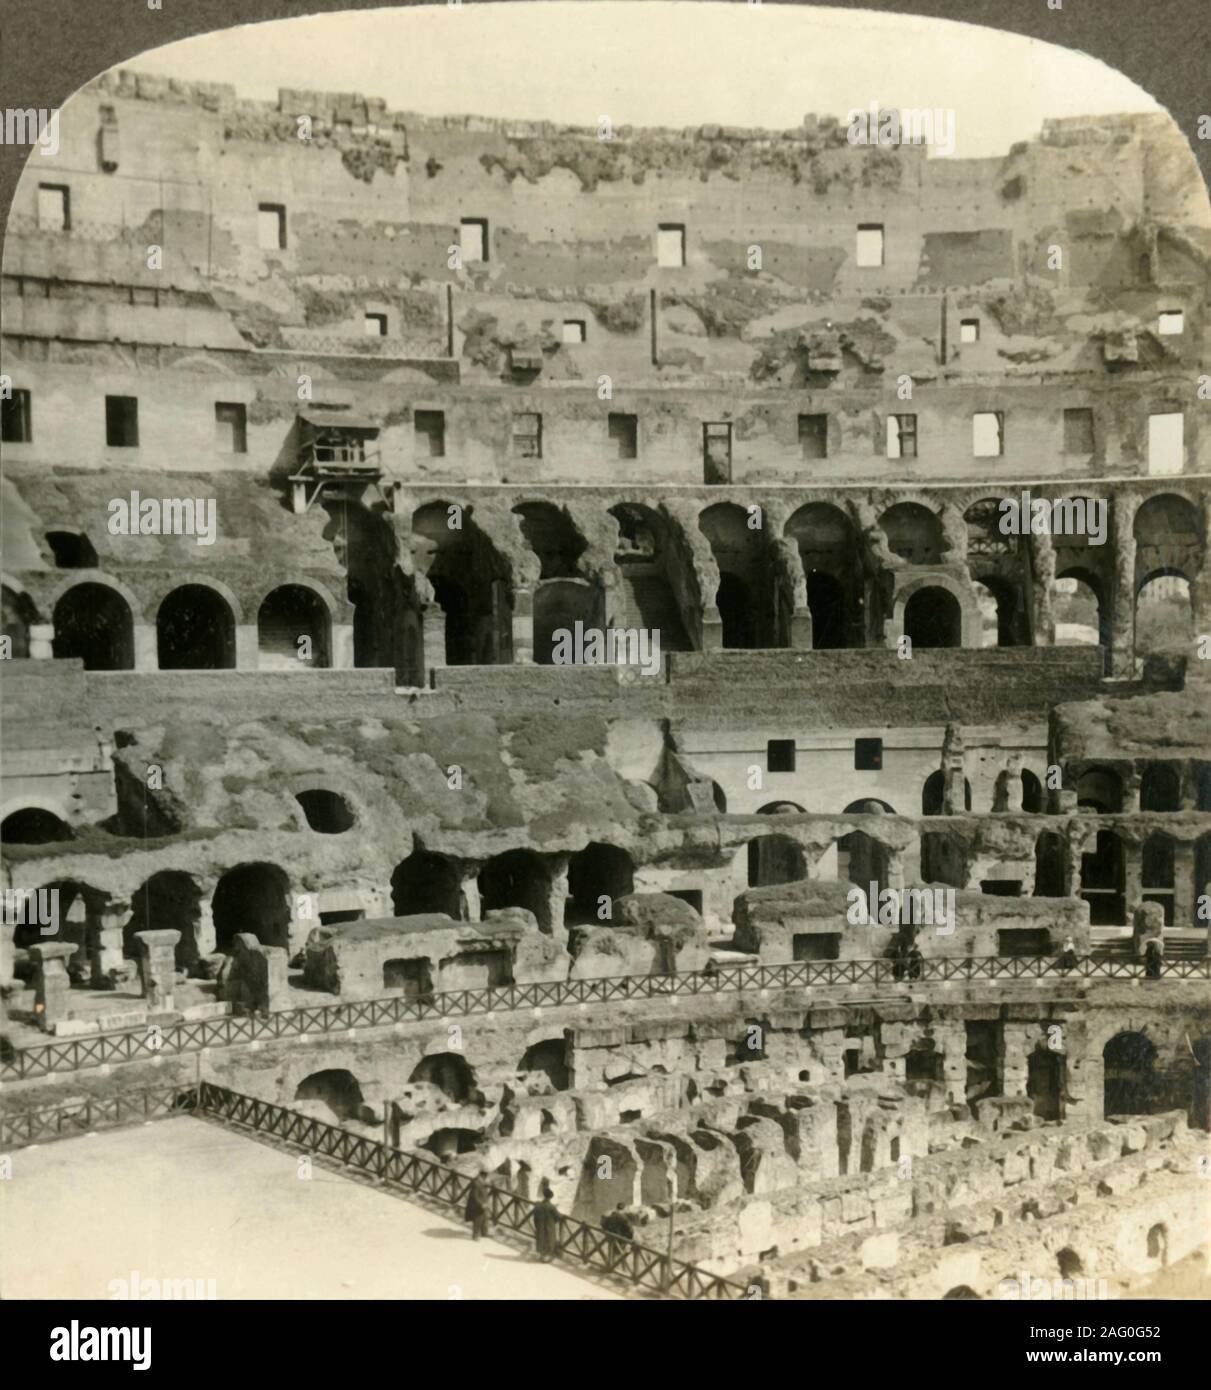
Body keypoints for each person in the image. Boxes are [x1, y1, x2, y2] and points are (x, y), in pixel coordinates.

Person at [601, 1202, 634, 1268]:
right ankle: (622, 1270)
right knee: (622, 1255)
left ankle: (609, 1267)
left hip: (611, 1238)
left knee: (612, 1253)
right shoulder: (624, 1218)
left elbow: (603, 1224)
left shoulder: (611, 1216)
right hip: (620, 1239)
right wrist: (629, 1239)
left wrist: (607, 1233)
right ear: (624, 1209)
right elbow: (630, 1230)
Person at [533, 1191, 561, 1263]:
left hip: (540, 1227)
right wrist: (554, 1221)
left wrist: (537, 1225)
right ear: (550, 1197)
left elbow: (535, 1217)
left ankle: (541, 1255)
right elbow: (558, 1217)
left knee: (541, 1240)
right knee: (549, 1241)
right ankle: (546, 1257)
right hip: (549, 1228)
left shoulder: (538, 1205)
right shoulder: (552, 1207)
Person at [465, 1170, 491, 1241]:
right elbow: (474, 1196)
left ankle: (484, 1233)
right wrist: (481, 1204)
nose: (486, 1178)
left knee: (485, 1218)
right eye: (486, 1176)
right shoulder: (476, 1183)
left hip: (483, 1202)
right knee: (478, 1219)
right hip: (477, 1204)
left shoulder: (481, 1182)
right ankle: (475, 1235)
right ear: (483, 1176)